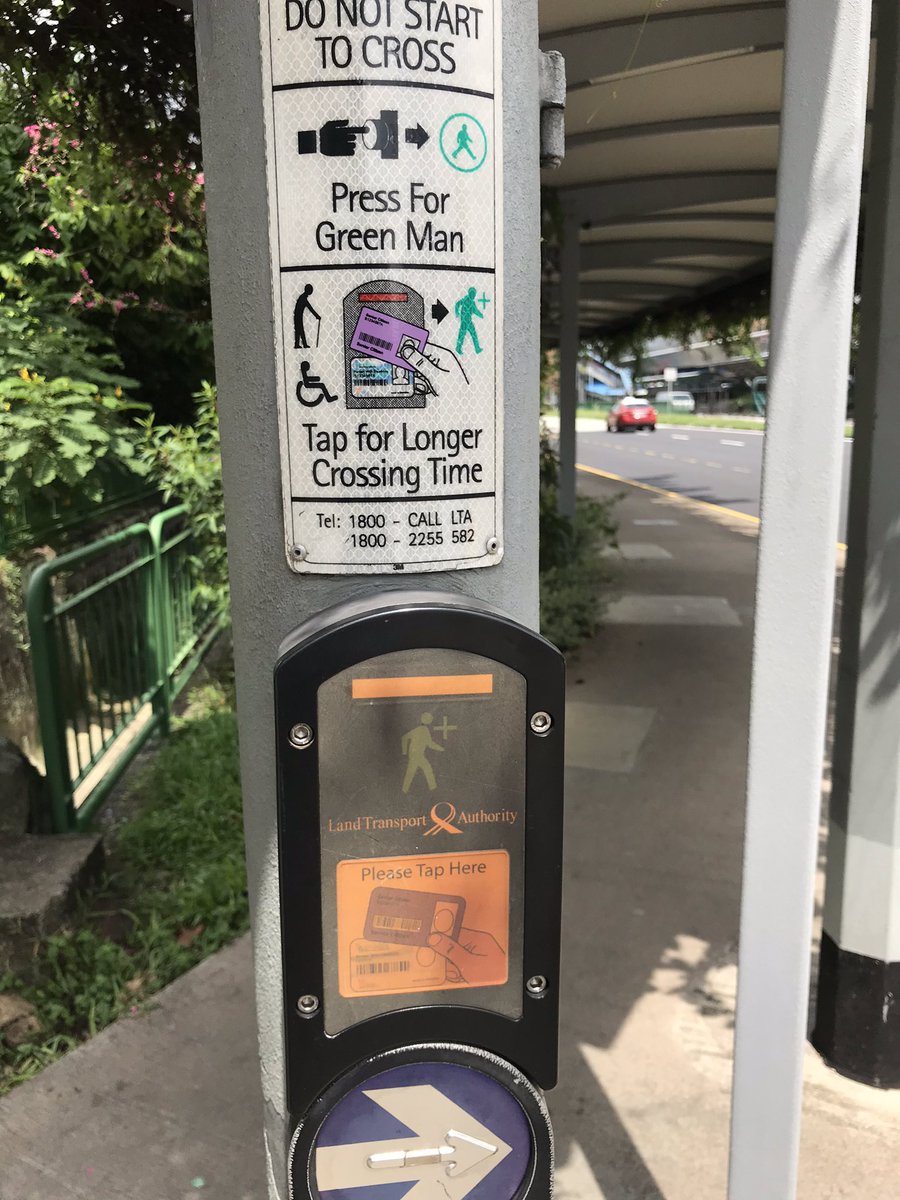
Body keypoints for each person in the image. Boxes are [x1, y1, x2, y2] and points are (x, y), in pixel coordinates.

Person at [401, 713, 445, 793]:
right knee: (426, 769)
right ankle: (434, 789)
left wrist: (405, 752)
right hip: (417, 756)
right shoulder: (424, 730)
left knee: (412, 772)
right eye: (430, 719)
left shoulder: (418, 729)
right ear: (427, 720)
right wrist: (441, 749)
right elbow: (430, 744)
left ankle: (404, 790)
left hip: (415, 755)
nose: (431, 721)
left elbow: (404, 738)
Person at [454, 287, 484, 356]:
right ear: (469, 293)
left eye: (474, 294)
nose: (473, 295)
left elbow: (475, 311)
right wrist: (457, 313)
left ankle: (477, 348)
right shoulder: (465, 299)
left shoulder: (472, 302)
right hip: (464, 320)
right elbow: (457, 304)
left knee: (473, 334)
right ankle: (459, 348)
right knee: (462, 335)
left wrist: (481, 315)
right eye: (472, 294)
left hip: (469, 321)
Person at [293, 284, 320, 349]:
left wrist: (317, 316)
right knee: (299, 330)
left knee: (299, 330)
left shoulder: (302, 297)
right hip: (298, 316)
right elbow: (310, 308)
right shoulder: (303, 298)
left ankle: (299, 344)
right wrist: (317, 316)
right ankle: (301, 344)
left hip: (298, 316)